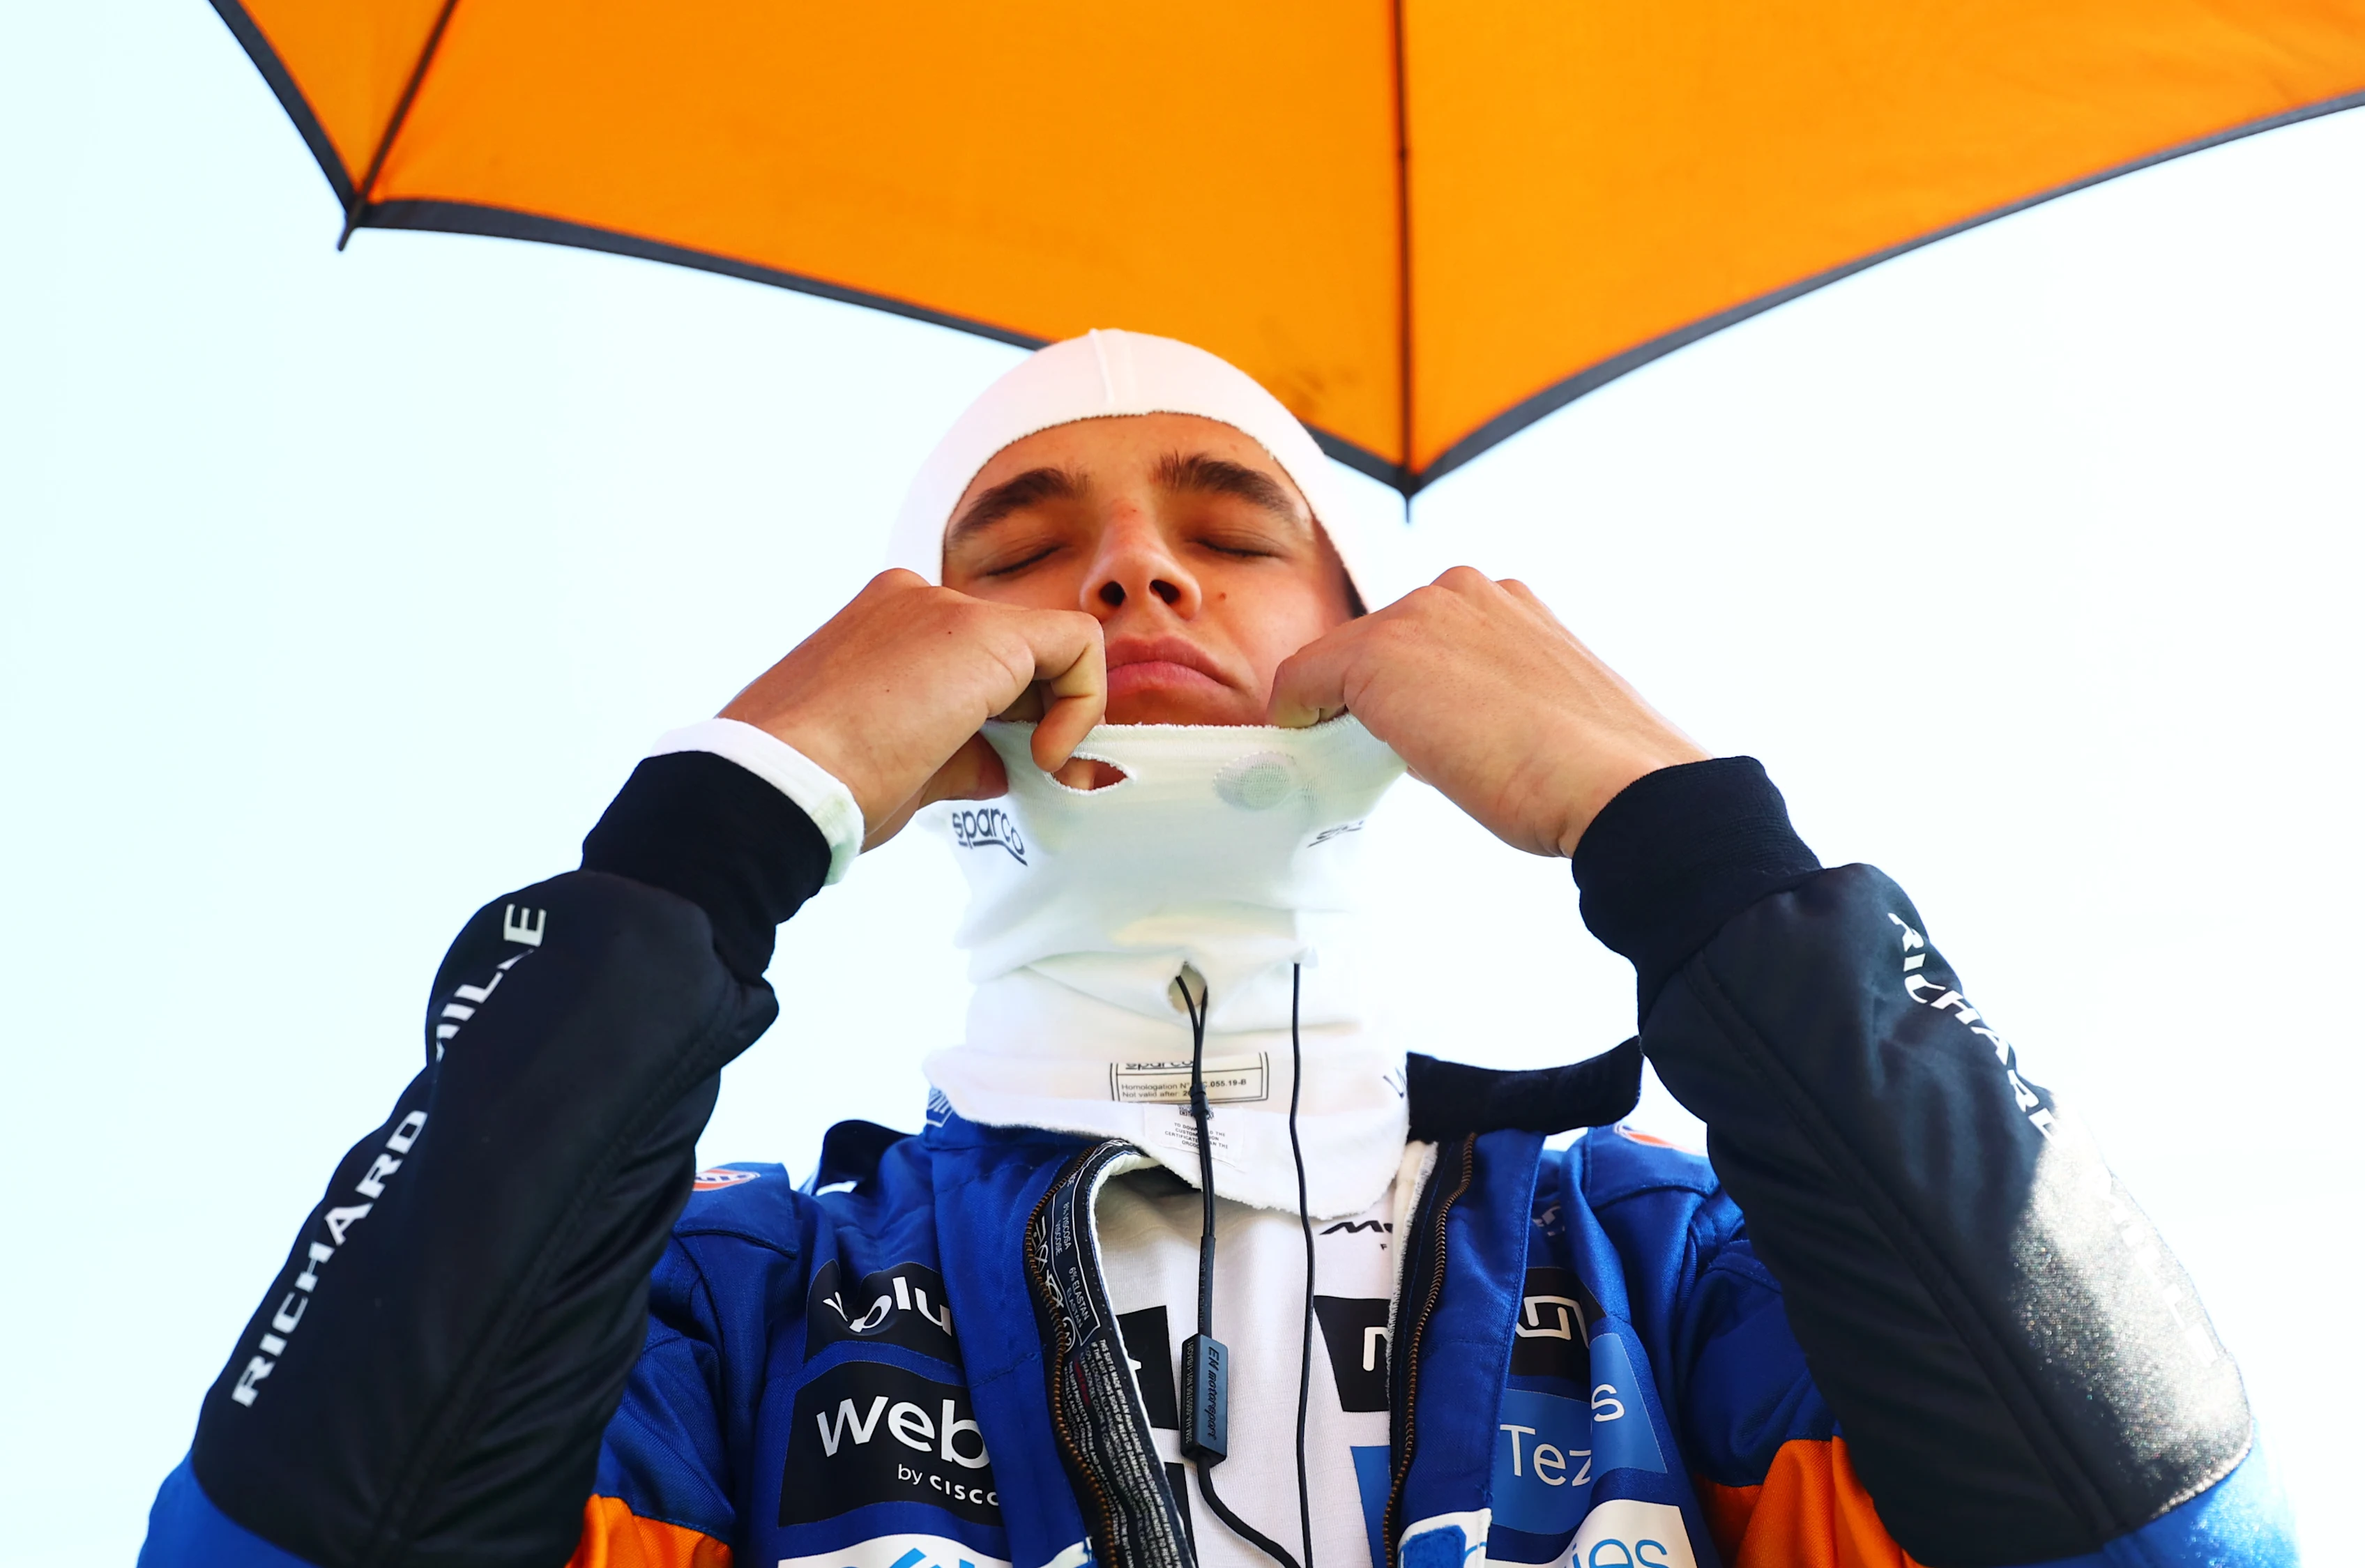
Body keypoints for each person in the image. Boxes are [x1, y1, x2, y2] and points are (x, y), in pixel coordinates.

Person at [142, 331, 2290, 1568]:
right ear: (924, 696)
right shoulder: (736, 1287)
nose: (1137, 573)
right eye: (1025, 545)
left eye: (1234, 528)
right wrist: (719, 826)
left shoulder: (1668, 1257)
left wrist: (1692, 841)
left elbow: (2177, 1543)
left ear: (1384, 653)